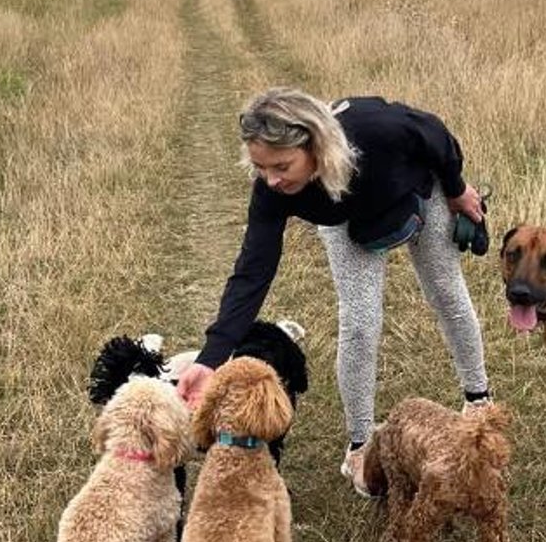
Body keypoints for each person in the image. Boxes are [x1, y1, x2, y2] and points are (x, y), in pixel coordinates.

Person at [176, 89, 492, 492]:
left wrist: (456, 187)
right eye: (260, 167)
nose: (271, 179)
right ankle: (360, 446)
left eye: (281, 165)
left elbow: (432, 132)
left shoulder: (377, 132)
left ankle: (478, 397)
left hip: (418, 190)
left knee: (446, 292)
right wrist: (210, 358)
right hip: (346, 219)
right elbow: (252, 271)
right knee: (360, 322)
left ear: (314, 144)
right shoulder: (272, 191)